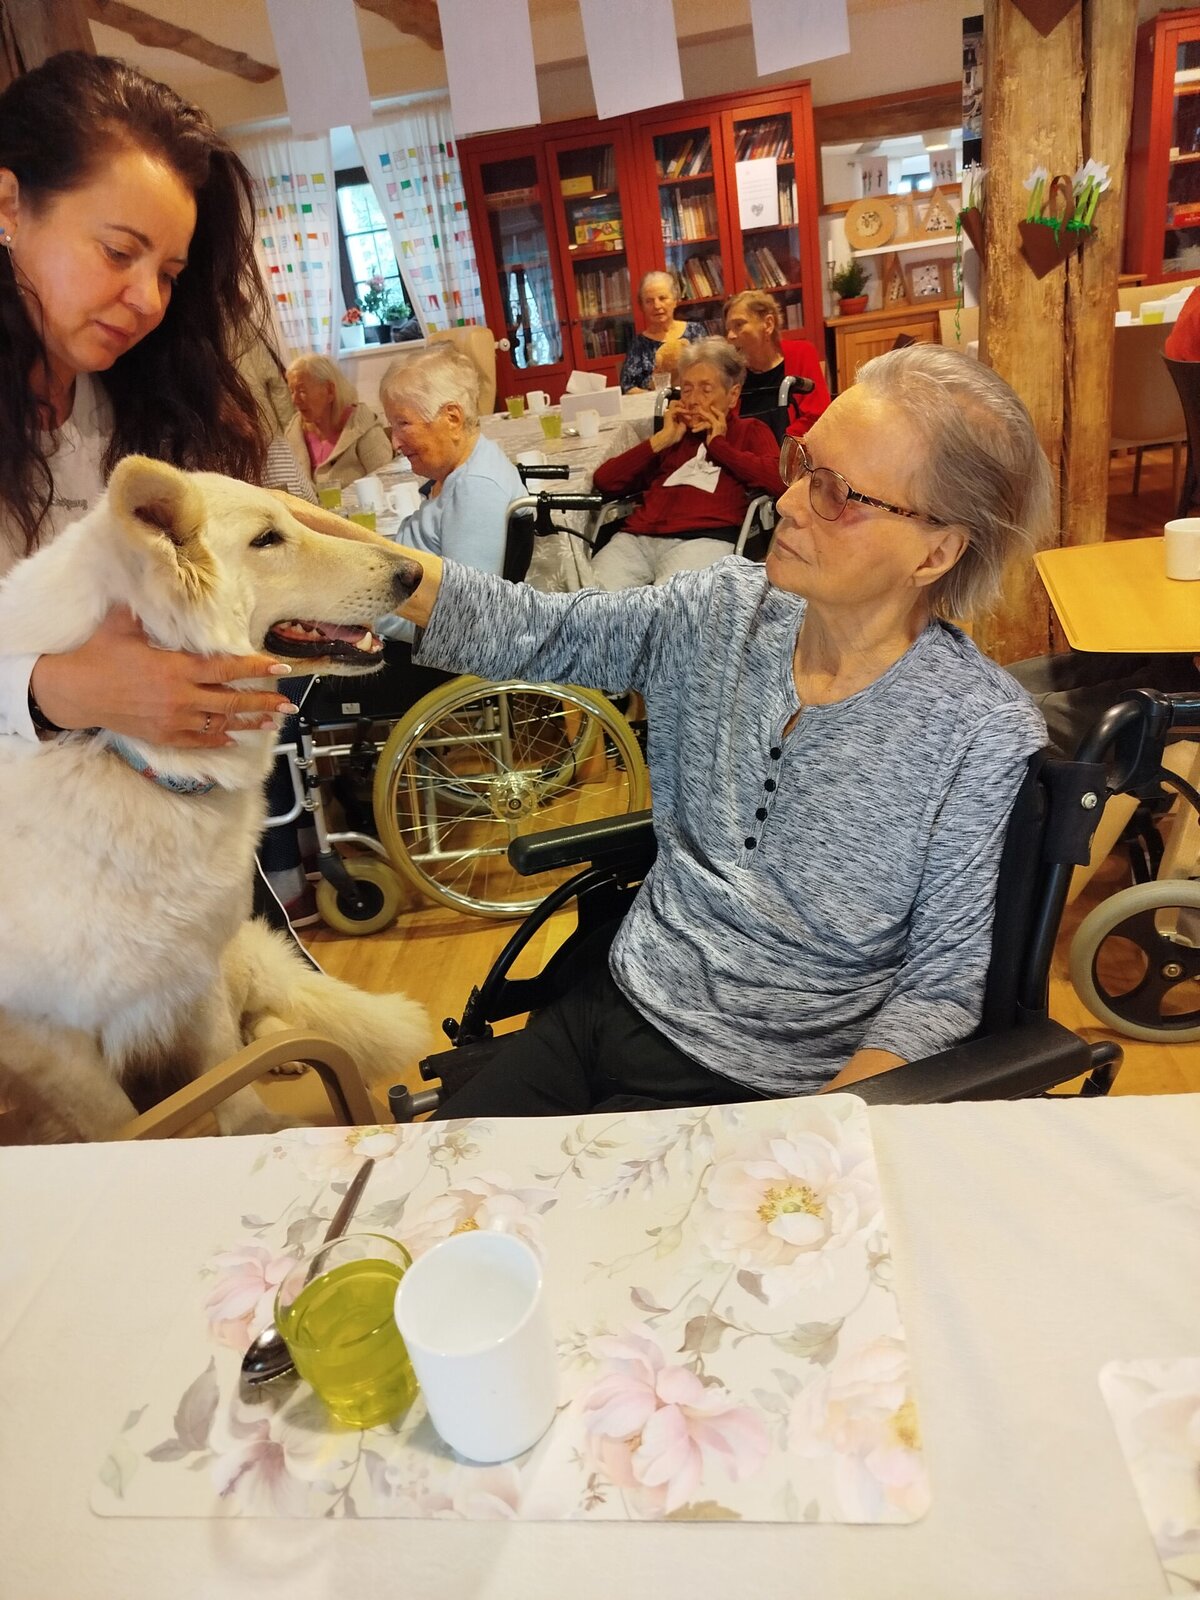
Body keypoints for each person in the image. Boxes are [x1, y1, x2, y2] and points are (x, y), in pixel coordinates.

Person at [382, 344, 1050, 1117]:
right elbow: (540, 629)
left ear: (937, 551)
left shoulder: (979, 731)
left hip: (765, 1087)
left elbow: (939, 988)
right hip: (616, 997)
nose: (789, 502)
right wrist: (338, 567)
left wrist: (816, 1134)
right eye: (803, 465)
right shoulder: (724, 610)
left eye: (836, 494)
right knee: (435, 1177)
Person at [0, 50, 295, 749]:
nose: (148, 301)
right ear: (9, 206)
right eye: (117, 252)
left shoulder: (140, 409)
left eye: (168, 273)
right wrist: (54, 691)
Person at [589, 337, 782, 590]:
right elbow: (605, 481)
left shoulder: (750, 431)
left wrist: (719, 446)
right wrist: (661, 440)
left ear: (733, 395)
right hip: (636, 539)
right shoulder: (673, 438)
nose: (692, 400)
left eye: (705, 389)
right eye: (687, 389)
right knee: (590, 600)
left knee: (674, 606)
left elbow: (781, 481)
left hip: (702, 539)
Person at [373, 344, 523, 644]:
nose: (395, 443)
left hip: (413, 653)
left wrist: (369, 618)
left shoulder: (476, 490)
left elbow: (467, 620)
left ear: (452, 418)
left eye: (403, 423)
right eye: (392, 426)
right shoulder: (460, 470)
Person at [723, 288, 830, 439]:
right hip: (748, 451)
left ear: (768, 324)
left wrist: (778, 444)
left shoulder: (801, 353)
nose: (730, 336)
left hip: (792, 447)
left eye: (739, 325)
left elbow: (818, 416)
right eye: (728, 329)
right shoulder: (733, 371)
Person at [284, 353, 393, 492]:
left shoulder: (361, 424)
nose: (295, 400)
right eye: (291, 391)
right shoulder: (293, 434)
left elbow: (387, 478)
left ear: (329, 390)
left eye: (302, 391)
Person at [618, 270, 705, 393]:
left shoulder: (696, 331)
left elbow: (713, 370)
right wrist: (655, 395)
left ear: (675, 300)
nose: (657, 306)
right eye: (649, 301)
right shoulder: (639, 345)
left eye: (662, 298)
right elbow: (627, 387)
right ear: (642, 307)